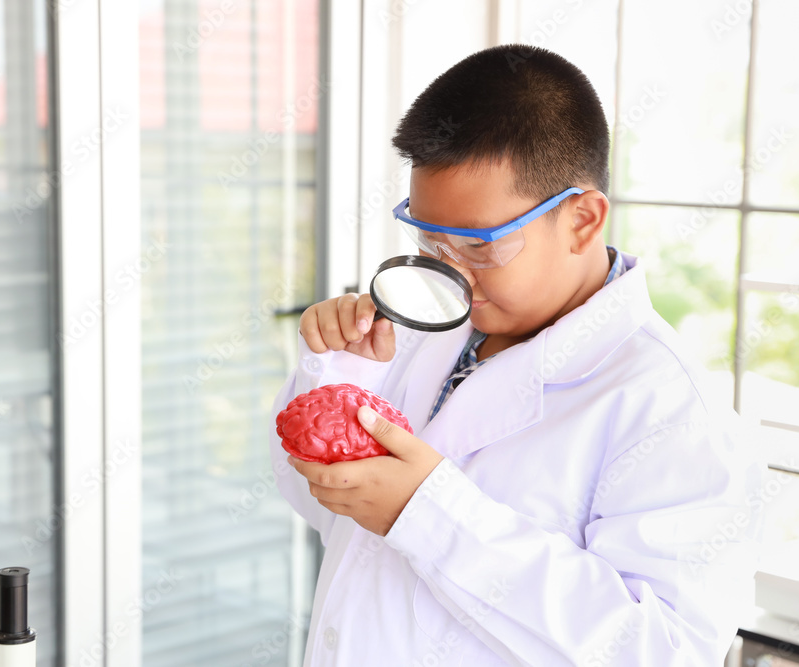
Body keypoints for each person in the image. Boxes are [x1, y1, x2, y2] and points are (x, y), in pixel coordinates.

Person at [269, 44, 761, 666]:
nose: (451, 277)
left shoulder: (670, 407)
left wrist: (431, 516)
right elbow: (317, 504)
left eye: (478, 247)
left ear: (582, 219)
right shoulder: (425, 332)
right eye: (430, 240)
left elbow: (664, 651)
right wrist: (339, 380)